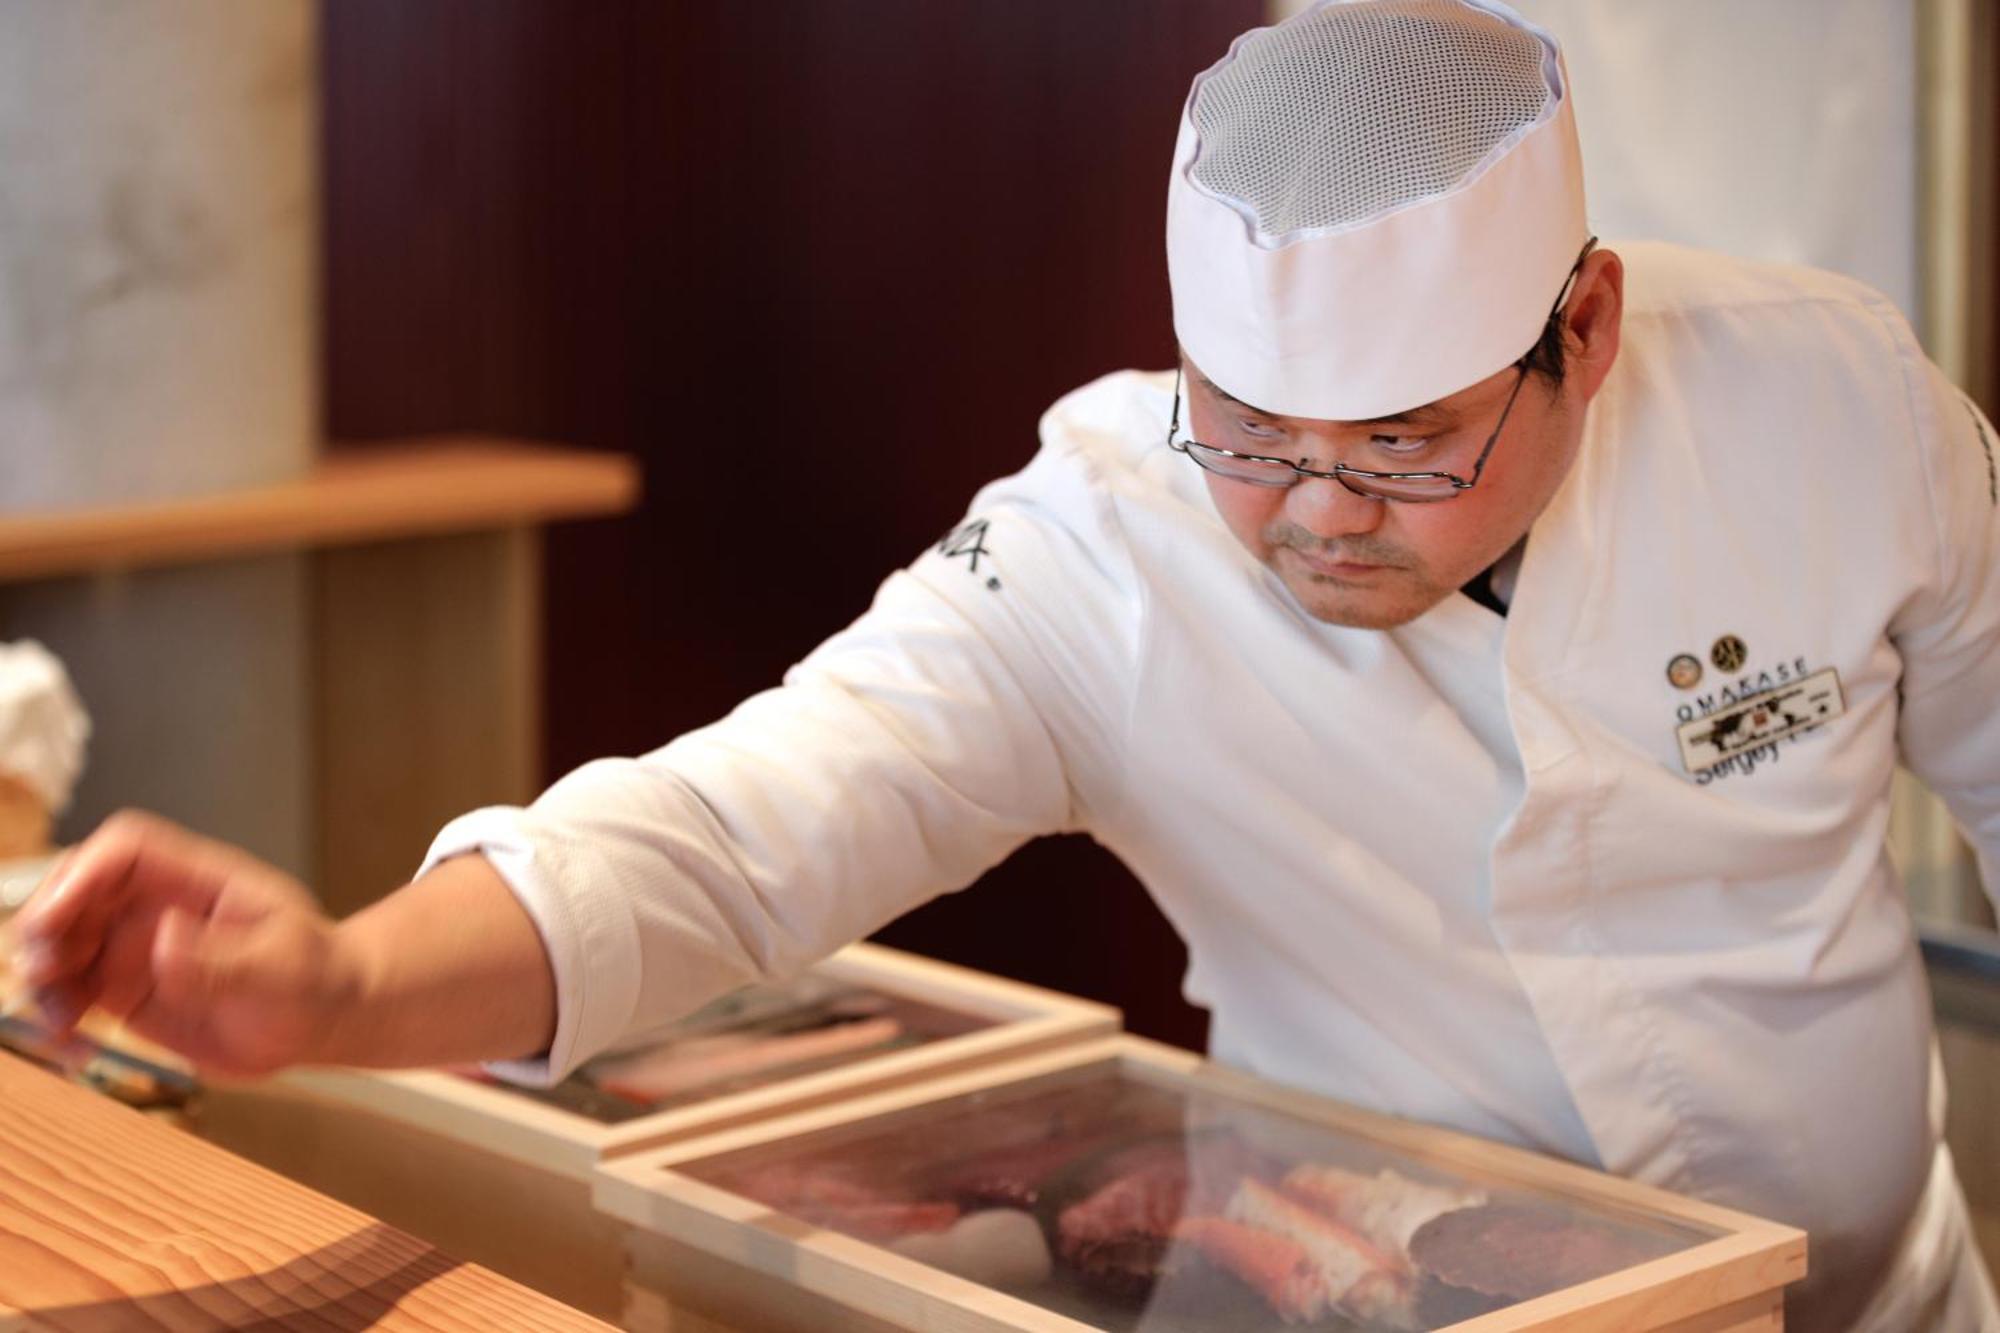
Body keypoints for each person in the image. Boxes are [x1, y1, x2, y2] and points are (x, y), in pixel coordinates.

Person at [7, 2, 1997, 1327]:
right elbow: (739, 827)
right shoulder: (1104, 536)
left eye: (1406, 448)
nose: (1314, 516)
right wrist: (347, 980)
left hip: (1887, 1299)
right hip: (1366, 1297)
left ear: (1588, 321)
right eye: (1251, 435)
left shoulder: (1827, 404)